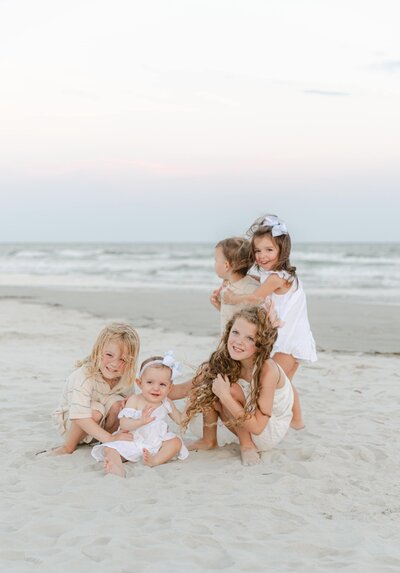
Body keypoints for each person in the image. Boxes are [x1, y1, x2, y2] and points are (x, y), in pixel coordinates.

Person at [223, 214, 317, 428]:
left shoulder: (277, 278)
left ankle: (292, 420)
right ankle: (296, 421)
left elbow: (257, 297)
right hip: (293, 337)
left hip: (288, 339)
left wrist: (233, 298)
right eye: (257, 251)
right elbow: (265, 283)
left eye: (269, 250)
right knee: (284, 383)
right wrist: (254, 279)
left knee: (273, 381)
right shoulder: (280, 275)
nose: (262, 256)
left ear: (282, 250)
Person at [182, 306, 294, 466]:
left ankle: (247, 446)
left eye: (250, 338)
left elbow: (258, 427)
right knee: (212, 385)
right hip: (243, 421)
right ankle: (208, 441)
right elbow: (182, 390)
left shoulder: (267, 369)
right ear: (228, 332)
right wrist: (153, 380)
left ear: (260, 344)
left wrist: (225, 397)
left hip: (267, 430)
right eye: (235, 332)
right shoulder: (226, 360)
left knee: (228, 389)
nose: (239, 341)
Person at [91, 351, 188, 477]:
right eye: (150, 382)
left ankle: (154, 460)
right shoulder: (135, 400)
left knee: (175, 442)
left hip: (156, 444)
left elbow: (181, 420)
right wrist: (140, 422)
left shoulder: (166, 402)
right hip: (133, 441)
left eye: (162, 384)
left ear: (169, 388)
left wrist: (188, 407)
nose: (156, 388)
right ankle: (116, 467)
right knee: (110, 449)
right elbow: (124, 423)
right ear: (139, 383)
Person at [51, 323, 140, 455]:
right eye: (109, 355)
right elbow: (79, 417)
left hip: (100, 428)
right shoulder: (84, 376)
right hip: (74, 424)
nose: (115, 364)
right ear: (98, 351)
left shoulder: (125, 378)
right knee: (95, 411)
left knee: (119, 405)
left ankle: (105, 442)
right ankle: (68, 447)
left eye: (123, 359)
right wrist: (110, 437)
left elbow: (130, 409)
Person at [210, 237, 259, 333]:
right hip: (228, 342)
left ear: (226, 265)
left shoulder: (251, 290)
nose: (215, 264)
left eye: (216, 260)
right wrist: (219, 305)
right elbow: (232, 318)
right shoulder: (228, 287)